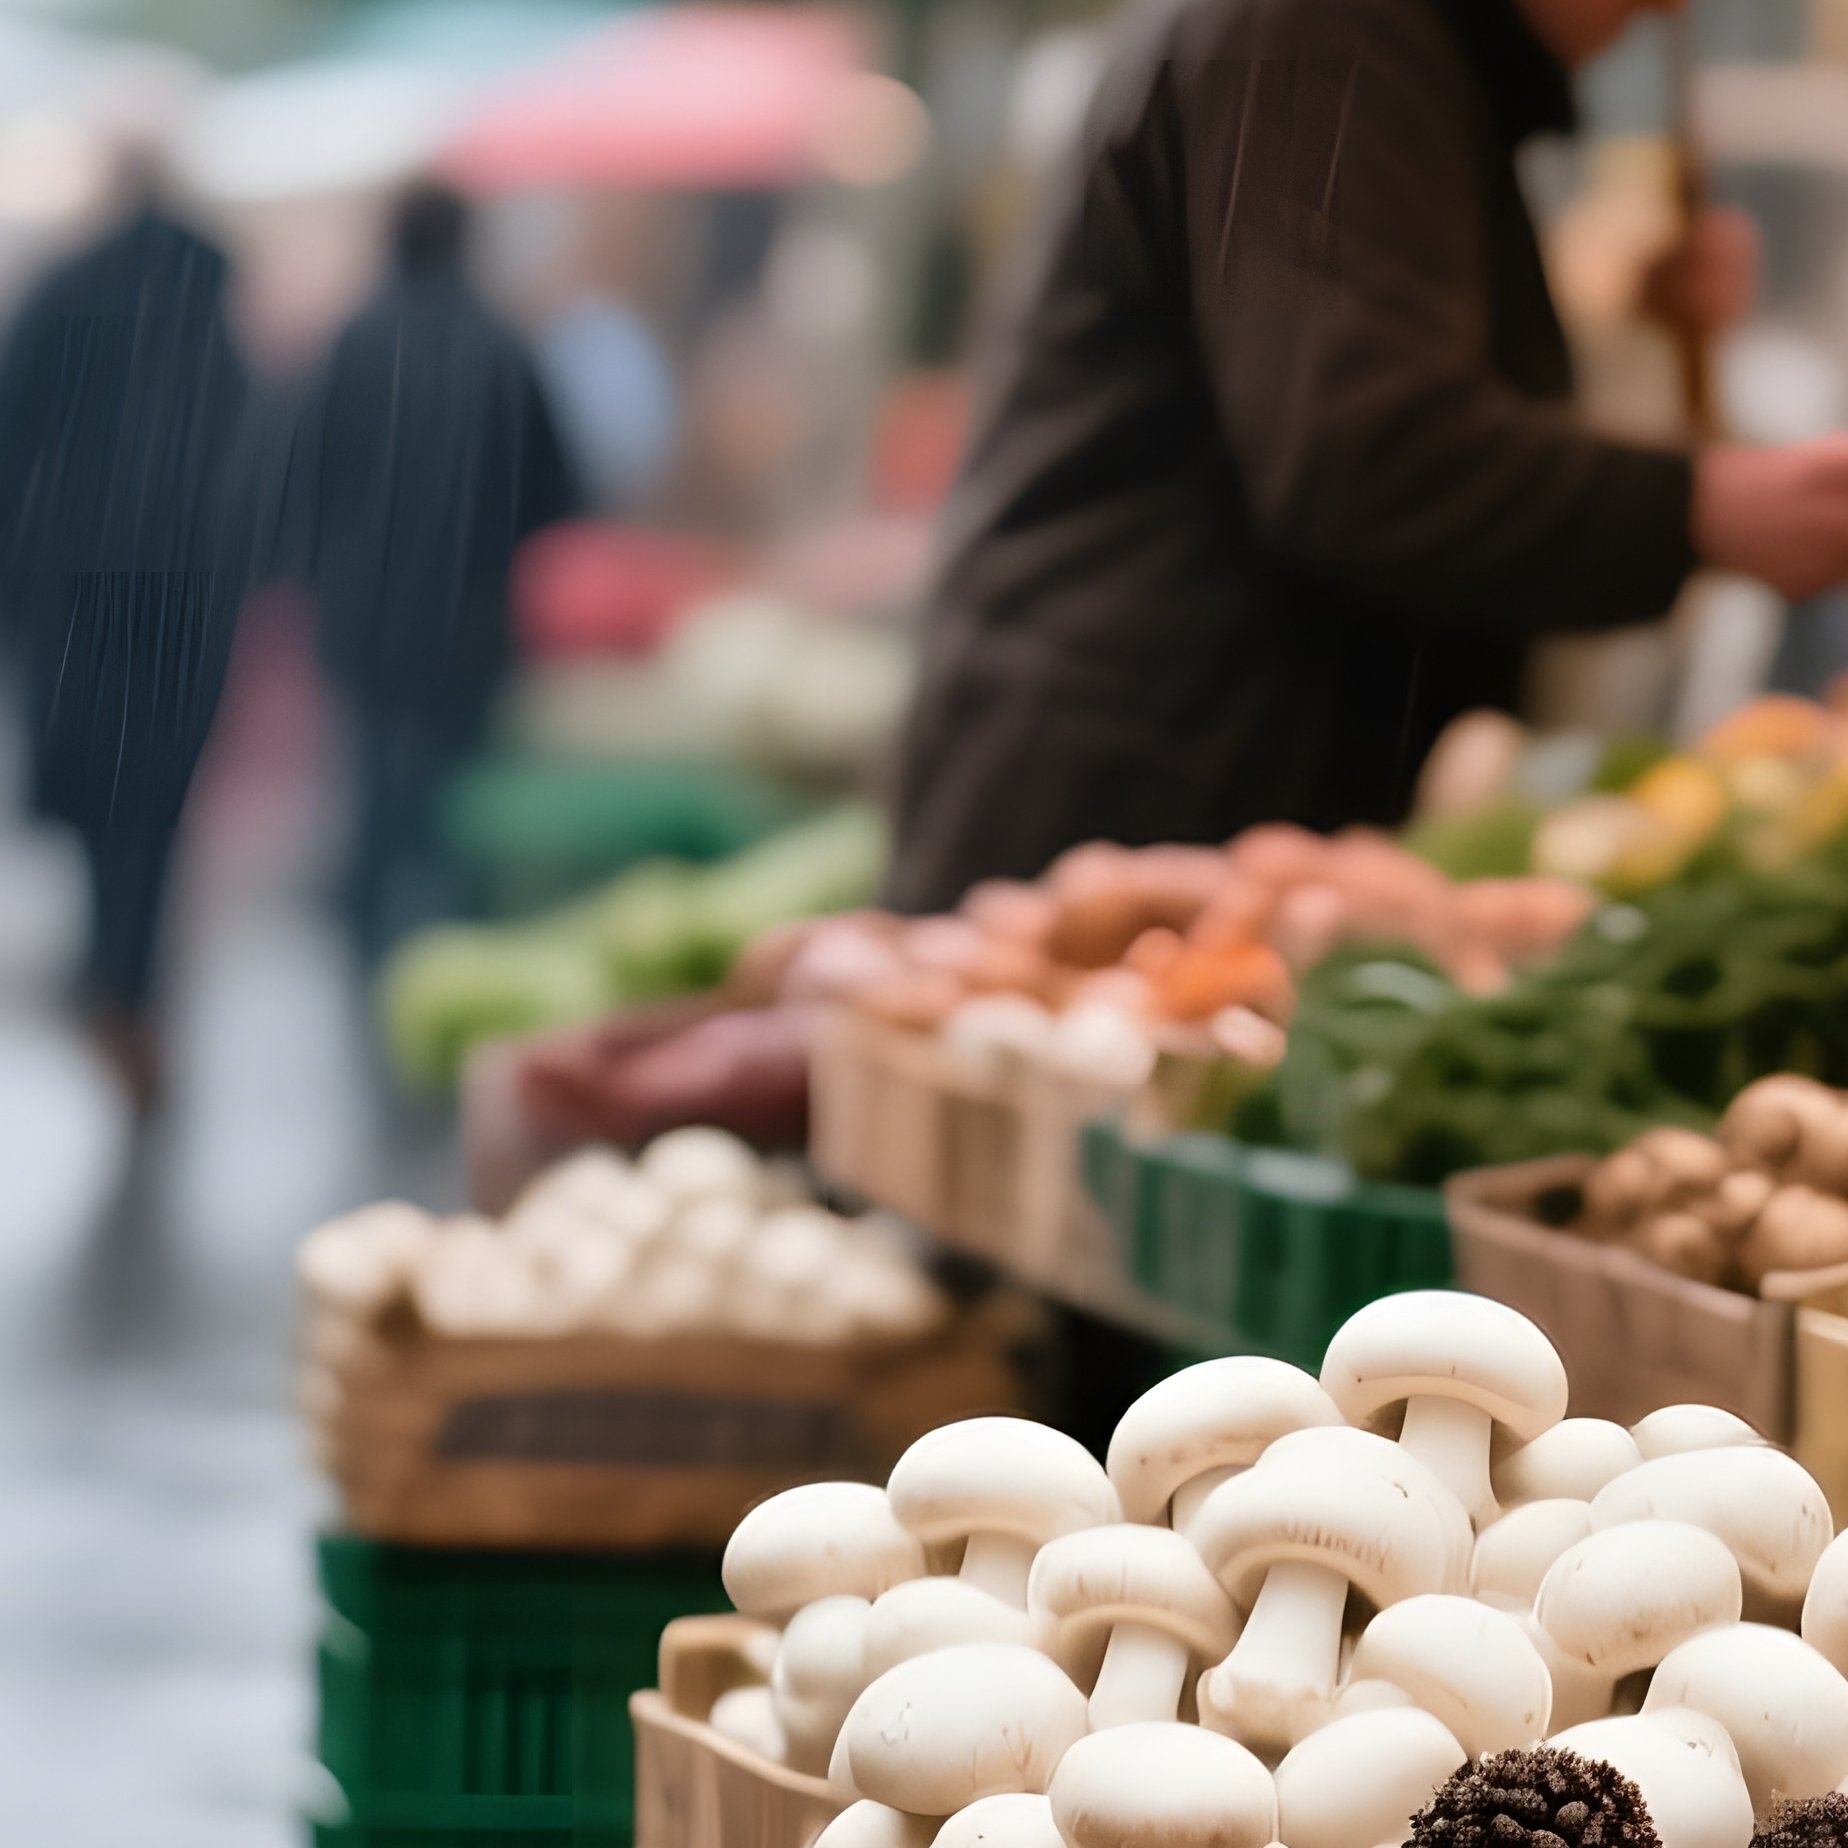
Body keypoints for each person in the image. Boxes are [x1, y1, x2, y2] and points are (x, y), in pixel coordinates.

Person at [889, 0, 1848, 913]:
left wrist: (1634, 345)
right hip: (1132, 825)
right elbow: (1368, 460)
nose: (1665, 11)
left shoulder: (1387, 46)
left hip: (1188, 798)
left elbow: (1335, 377)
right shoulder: (1328, 22)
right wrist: (1707, 509)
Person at [0, 172, 248, 1104]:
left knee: (103, 794)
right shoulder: (210, 300)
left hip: (81, 583)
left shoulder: (65, 291)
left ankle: (114, 977)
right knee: (159, 799)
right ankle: (131, 982)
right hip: (186, 587)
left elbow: (10, 426)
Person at [296, 183, 578, 969]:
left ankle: (370, 951)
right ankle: (432, 955)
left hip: (364, 618)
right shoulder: (502, 347)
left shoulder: (354, 340)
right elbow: (560, 491)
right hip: (469, 619)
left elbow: (298, 477)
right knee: (450, 805)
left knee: (373, 789)